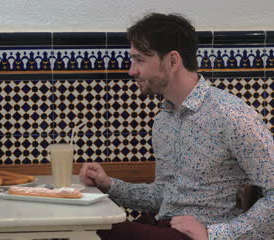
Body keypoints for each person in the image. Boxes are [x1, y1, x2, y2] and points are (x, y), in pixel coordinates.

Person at [80, 13, 273, 240]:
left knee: (90, 231)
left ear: (172, 61)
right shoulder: (164, 120)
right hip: (166, 228)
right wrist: (110, 185)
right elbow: (164, 196)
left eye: (139, 59)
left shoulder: (232, 115)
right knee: (87, 226)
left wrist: (214, 234)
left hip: (200, 236)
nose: (132, 71)